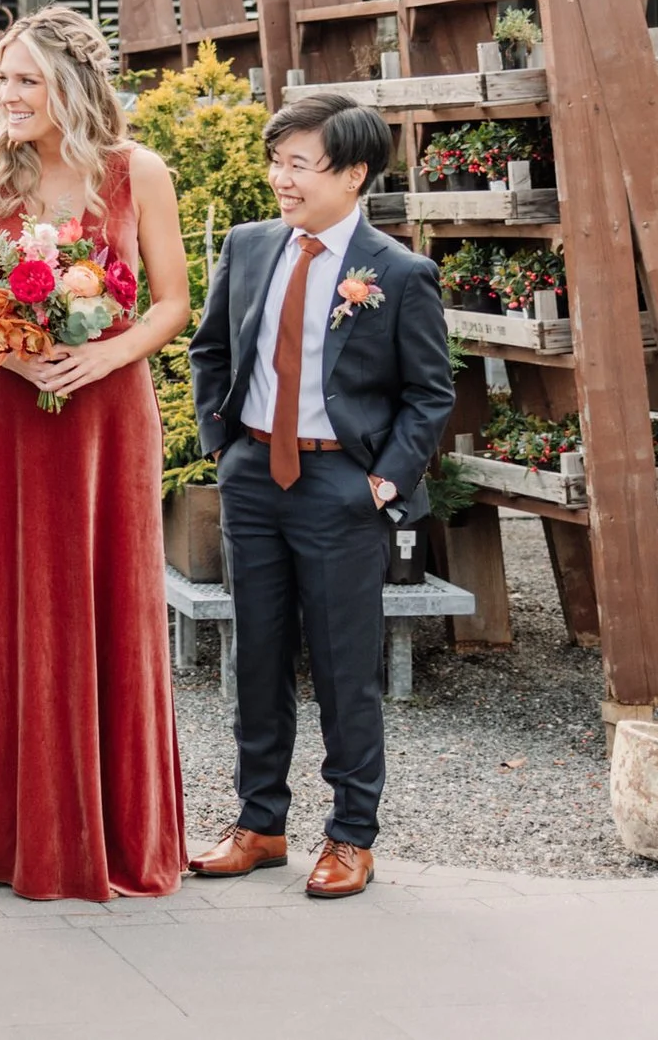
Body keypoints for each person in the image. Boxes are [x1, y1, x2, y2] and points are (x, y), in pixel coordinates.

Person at [0, 5, 191, 901]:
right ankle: (21, 836)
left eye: (25, 80)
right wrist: (2, 345)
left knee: (114, 592)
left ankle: (122, 831)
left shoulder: (136, 172)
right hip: (19, 403)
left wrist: (102, 354)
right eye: (1, 79)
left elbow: (170, 304)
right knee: (27, 598)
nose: (6, 96)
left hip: (110, 404)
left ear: (71, 87)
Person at [185, 92, 452, 899]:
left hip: (341, 486)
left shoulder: (399, 273)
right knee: (257, 657)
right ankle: (260, 822)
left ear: (354, 172)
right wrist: (222, 444)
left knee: (344, 667)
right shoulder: (249, 244)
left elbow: (430, 396)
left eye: (299, 164)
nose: (281, 179)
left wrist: (380, 483)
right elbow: (210, 350)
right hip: (255, 477)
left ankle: (350, 835)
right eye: (278, 162)